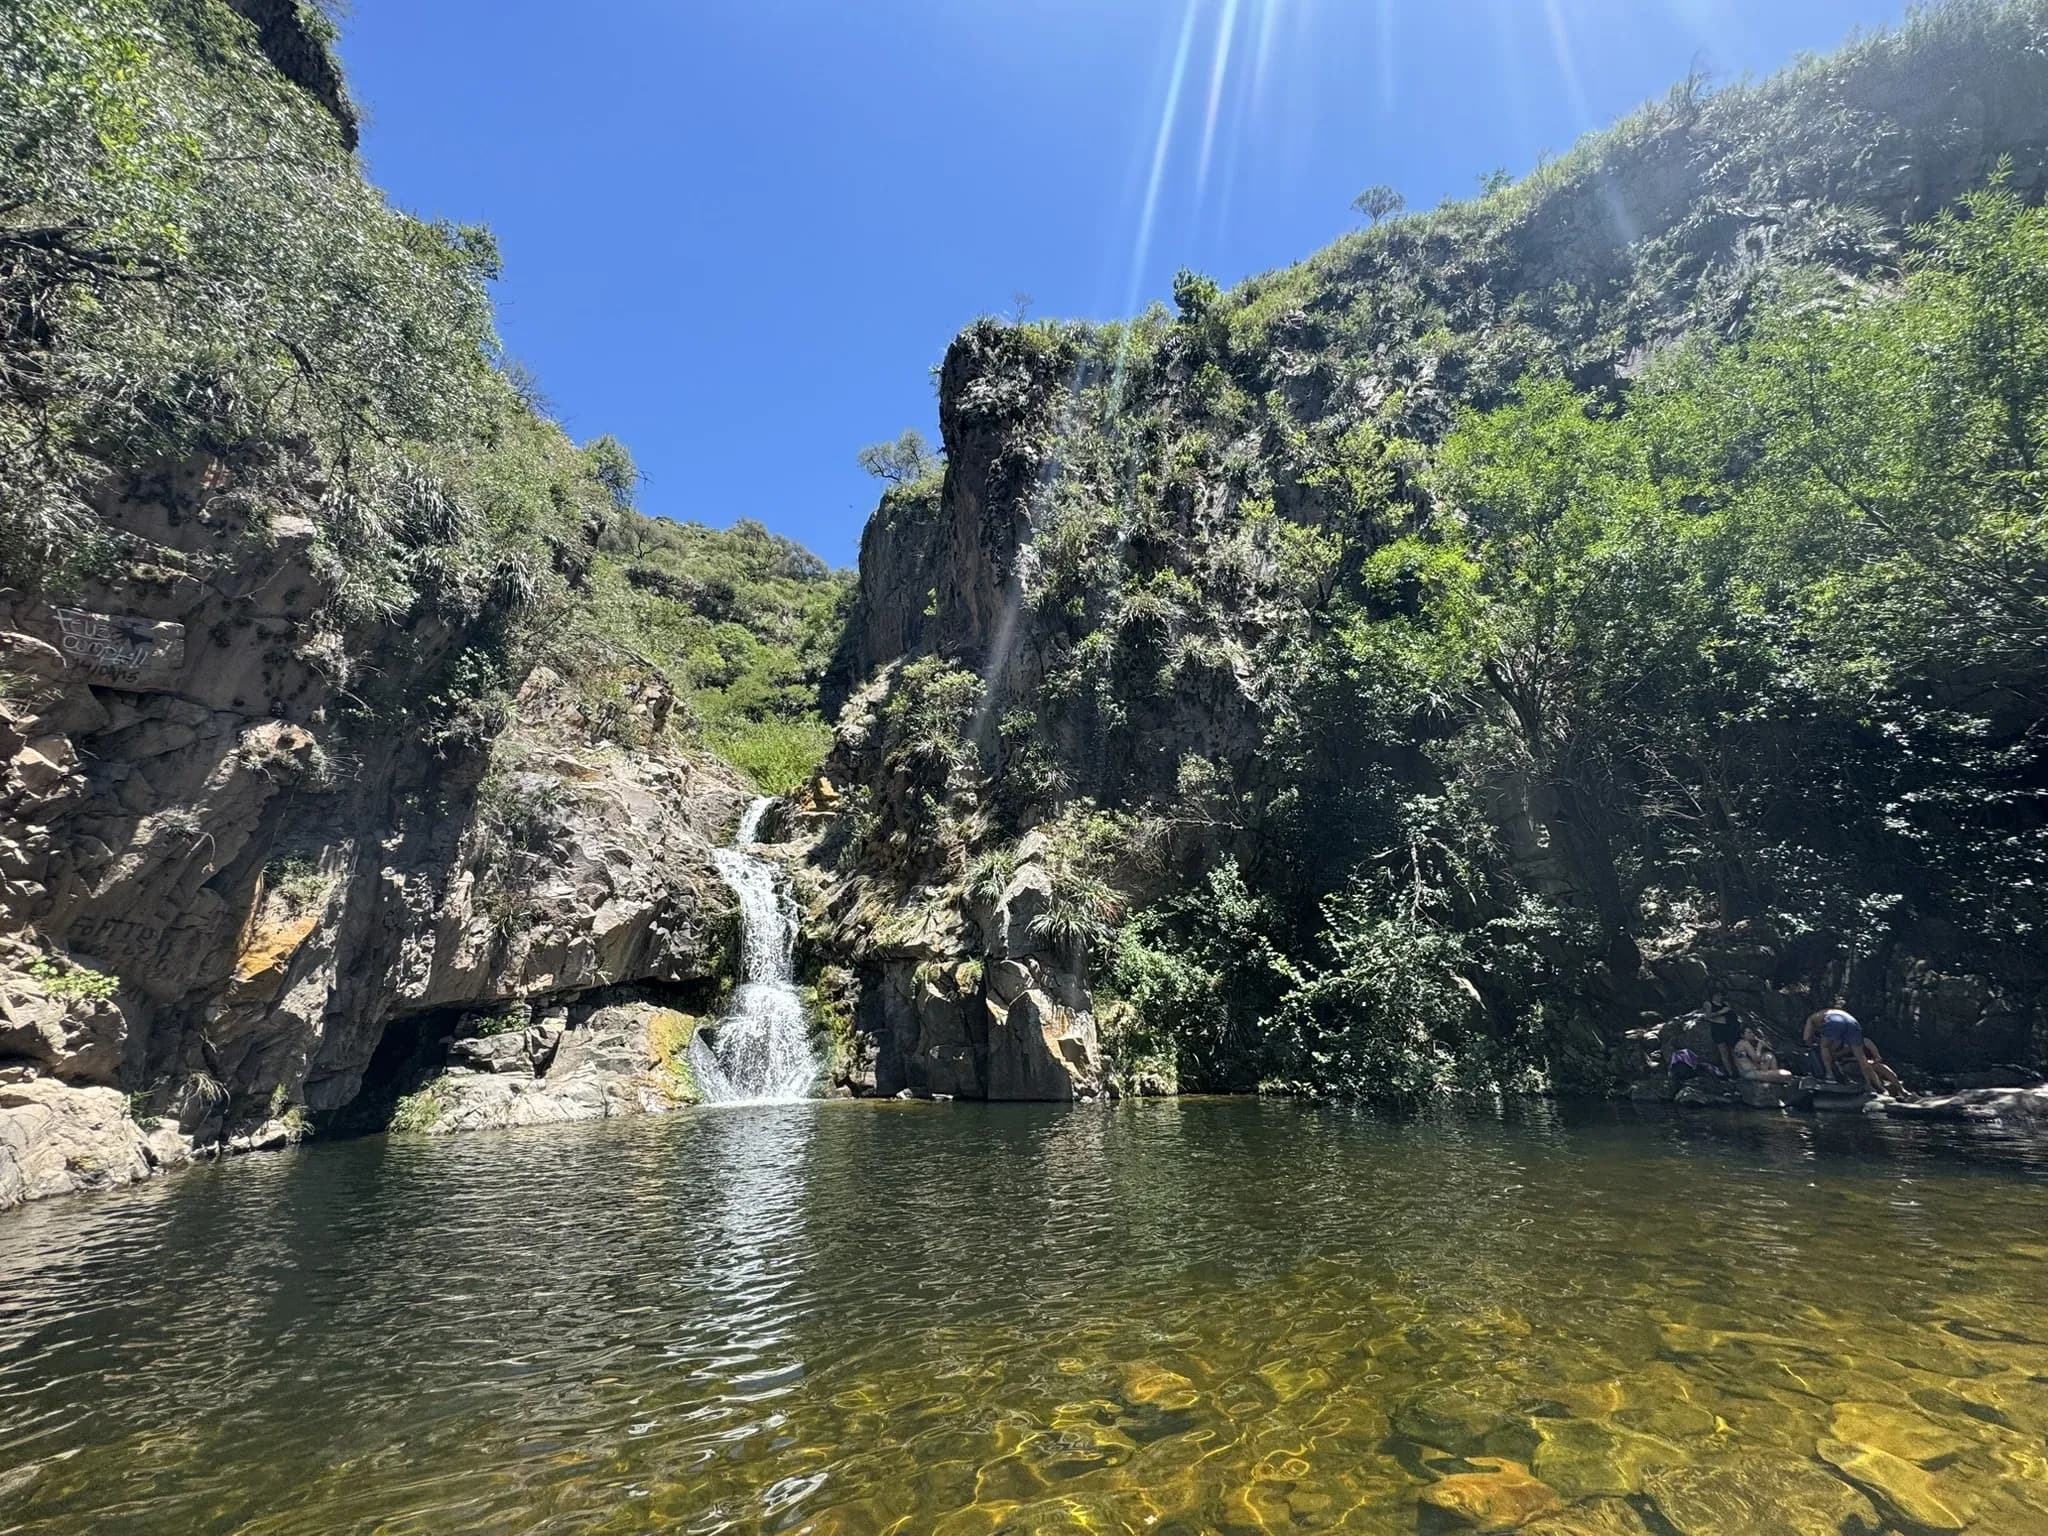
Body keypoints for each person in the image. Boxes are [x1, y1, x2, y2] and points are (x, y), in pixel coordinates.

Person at [1804, 1005, 1889, 1093]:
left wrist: (1812, 1046)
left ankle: (1830, 1075)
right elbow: (1836, 1041)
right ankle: (1871, 1085)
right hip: (1853, 1022)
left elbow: (1807, 1038)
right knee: (1861, 1058)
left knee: (1824, 1047)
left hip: (1836, 1021)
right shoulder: (1830, 1014)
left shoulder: (1811, 1019)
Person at [1703, 991, 1742, 1077]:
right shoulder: (1708, 1004)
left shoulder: (1725, 1003)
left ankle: (1740, 1071)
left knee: (1734, 1051)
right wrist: (1721, 1012)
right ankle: (1730, 1073)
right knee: (1724, 1052)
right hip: (1718, 1029)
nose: (1719, 997)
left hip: (1729, 1029)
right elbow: (1707, 1016)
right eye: (1717, 995)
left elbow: (1730, 1012)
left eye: (1720, 995)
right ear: (1713, 996)